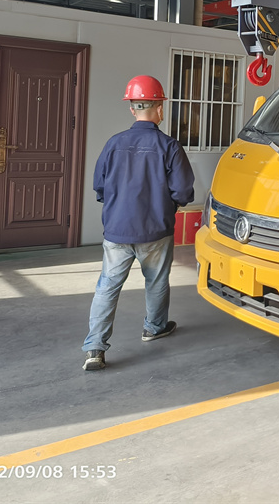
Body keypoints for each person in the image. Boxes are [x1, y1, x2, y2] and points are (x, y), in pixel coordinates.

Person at [81, 75, 195, 372]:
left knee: (107, 286)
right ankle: (154, 328)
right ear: (160, 108)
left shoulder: (114, 144)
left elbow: (99, 186)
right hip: (155, 230)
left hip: (117, 230)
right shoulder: (169, 146)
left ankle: (95, 348)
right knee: (155, 281)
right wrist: (169, 207)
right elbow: (183, 191)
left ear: (132, 108)